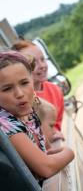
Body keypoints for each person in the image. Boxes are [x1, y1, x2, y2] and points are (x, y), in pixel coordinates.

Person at [0, 51, 74, 181]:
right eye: (7, 89)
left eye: (24, 83)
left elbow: (47, 150)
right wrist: (70, 153)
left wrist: (50, 156)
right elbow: (46, 168)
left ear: (32, 81)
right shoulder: (5, 125)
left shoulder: (27, 112)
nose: (19, 93)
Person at [11, 40, 64, 132]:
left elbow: (57, 124)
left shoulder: (55, 90)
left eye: (43, 59)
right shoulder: (19, 99)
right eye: (34, 63)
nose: (42, 66)